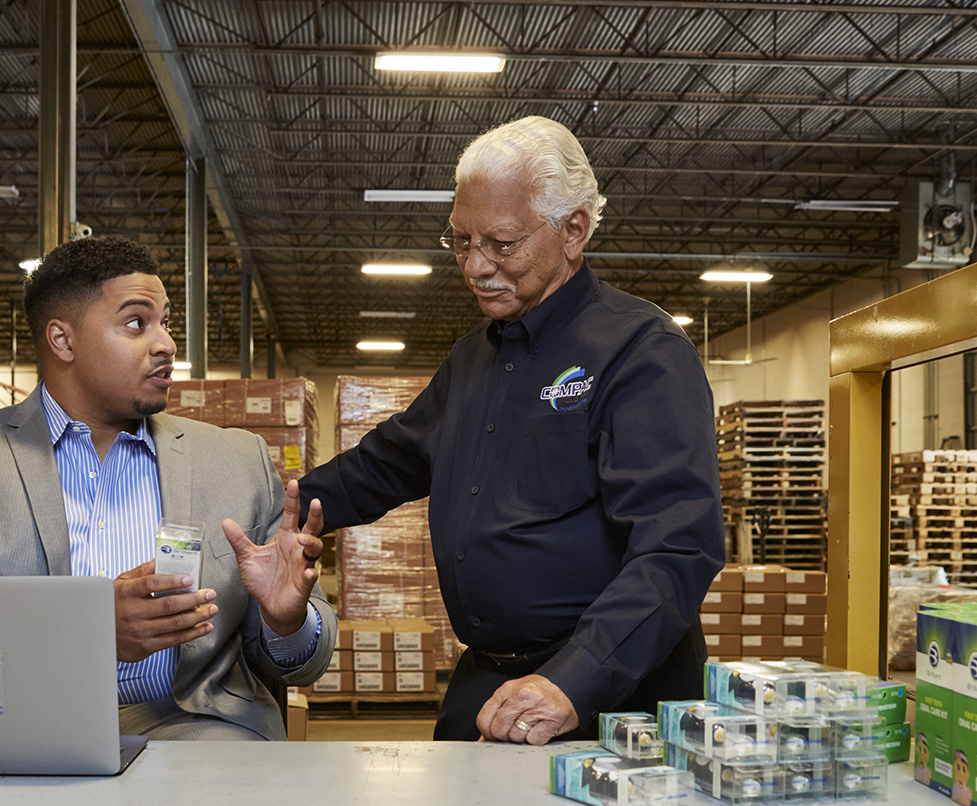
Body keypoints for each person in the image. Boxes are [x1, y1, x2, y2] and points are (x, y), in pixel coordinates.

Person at [295, 116, 723, 744]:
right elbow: (389, 461)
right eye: (461, 241)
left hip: (610, 697)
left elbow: (677, 549)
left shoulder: (640, 352)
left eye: (501, 243)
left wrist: (575, 680)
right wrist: (285, 510)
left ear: (573, 230)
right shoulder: (476, 358)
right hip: (490, 680)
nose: (473, 266)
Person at [0, 235, 336, 741]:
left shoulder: (236, 463)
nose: (165, 343)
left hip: (200, 735)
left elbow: (301, 664)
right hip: (18, 733)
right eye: (137, 323)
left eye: (165, 322)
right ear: (63, 340)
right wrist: (87, 631)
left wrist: (287, 622)